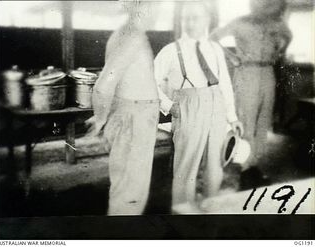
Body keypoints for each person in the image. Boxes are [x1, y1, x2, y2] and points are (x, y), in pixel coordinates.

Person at [154, 1, 243, 208]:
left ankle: (208, 213)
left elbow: (225, 85)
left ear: (207, 20)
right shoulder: (170, 50)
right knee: (186, 168)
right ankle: (183, 217)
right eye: (187, 18)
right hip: (188, 108)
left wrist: (232, 117)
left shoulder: (215, 49)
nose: (191, 22)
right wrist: (169, 106)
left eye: (196, 17)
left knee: (216, 165)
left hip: (217, 108)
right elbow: (148, 82)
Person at [86, 0, 160, 215]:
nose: (158, 11)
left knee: (126, 189)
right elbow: (104, 84)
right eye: (156, 5)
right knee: (130, 194)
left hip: (132, 114)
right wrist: (100, 117)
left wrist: (103, 115)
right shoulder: (133, 37)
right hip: (134, 119)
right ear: (142, 7)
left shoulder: (126, 34)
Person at [210, 0, 292, 175]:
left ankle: (256, 162)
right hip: (247, 71)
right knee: (247, 118)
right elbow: (213, 38)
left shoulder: (275, 23)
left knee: (264, 118)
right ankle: (245, 164)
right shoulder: (240, 22)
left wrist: (280, 50)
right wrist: (231, 56)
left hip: (268, 71)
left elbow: (288, 35)